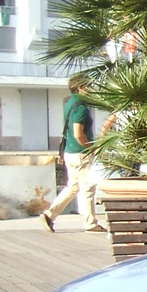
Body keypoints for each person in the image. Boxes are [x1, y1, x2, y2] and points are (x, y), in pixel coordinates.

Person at [41, 76, 105, 233]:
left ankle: (50, 214)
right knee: (87, 188)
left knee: (73, 186)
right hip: (80, 153)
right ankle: (91, 223)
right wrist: (90, 147)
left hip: (69, 152)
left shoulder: (70, 103)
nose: (90, 89)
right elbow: (78, 133)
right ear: (80, 88)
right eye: (88, 86)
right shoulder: (81, 108)